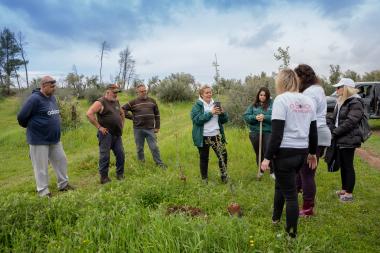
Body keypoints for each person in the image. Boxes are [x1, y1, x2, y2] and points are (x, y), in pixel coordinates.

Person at [261, 69, 318, 238]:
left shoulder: (281, 100)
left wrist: (266, 158)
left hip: (284, 153)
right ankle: (275, 218)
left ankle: (291, 235)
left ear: (282, 82)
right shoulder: (308, 101)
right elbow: (313, 132)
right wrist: (312, 153)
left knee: (291, 195)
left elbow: (277, 134)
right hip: (301, 152)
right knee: (281, 185)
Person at [17, 76, 74, 197]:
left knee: (61, 160)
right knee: (41, 167)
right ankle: (43, 192)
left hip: (55, 139)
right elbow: (21, 118)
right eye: (52, 86)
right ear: (43, 86)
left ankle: (63, 185)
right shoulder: (34, 99)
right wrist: (35, 127)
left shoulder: (52, 98)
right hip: (39, 140)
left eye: (55, 86)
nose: (54, 88)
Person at [294, 64, 331, 217]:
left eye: (296, 78)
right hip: (319, 133)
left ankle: (308, 209)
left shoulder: (309, 93)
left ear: (302, 77)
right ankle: (294, 198)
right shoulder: (318, 88)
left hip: (313, 134)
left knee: (307, 173)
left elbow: (307, 118)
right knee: (303, 172)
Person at [327, 78, 364, 202]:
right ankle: (344, 189)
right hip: (341, 137)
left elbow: (351, 121)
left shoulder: (355, 102)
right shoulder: (342, 101)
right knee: (343, 164)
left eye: (339, 87)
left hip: (349, 138)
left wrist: (335, 132)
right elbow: (335, 119)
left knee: (348, 165)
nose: (336, 89)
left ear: (346, 88)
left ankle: (348, 194)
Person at [86, 84, 125, 184]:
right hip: (106, 134)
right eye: (114, 92)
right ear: (107, 91)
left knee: (120, 154)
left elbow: (121, 113)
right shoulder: (100, 102)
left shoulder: (116, 102)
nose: (116, 94)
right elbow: (89, 113)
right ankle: (104, 178)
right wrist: (99, 127)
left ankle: (120, 174)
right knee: (105, 156)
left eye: (117, 92)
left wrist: (122, 124)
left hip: (117, 134)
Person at [191, 85, 229, 184]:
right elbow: (197, 120)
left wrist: (223, 113)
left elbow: (224, 120)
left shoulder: (215, 104)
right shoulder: (197, 106)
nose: (209, 94)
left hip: (216, 135)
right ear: (201, 94)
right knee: (204, 158)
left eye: (210, 92)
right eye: (206, 92)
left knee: (223, 155)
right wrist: (210, 113)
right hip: (203, 136)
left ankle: (224, 176)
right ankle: (204, 179)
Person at [122, 84, 166, 168]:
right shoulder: (133, 102)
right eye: (141, 91)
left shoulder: (152, 101)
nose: (143, 92)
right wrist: (132, 117)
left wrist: (157, 127)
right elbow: (122, 109)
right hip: (138, 129)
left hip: (150, 129)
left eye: (145, 91)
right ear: (137, 92)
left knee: (154, 147)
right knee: (139, 148)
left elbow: (157, 114)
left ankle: (159, 164)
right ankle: (141, 164)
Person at [243, 87, 274, 180]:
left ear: (267, 96)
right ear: (258, 95)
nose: (262, 97)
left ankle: (272, 171)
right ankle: (260, 171)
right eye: (261, 95)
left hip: (268, 131)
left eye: (264, 95)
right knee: (258, 152)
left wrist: (265, 117)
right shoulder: (253, 105)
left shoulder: (272, 105)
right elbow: (246, 116)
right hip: (255, 132)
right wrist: (255, 117)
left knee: (268, 151)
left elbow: (276, 116)